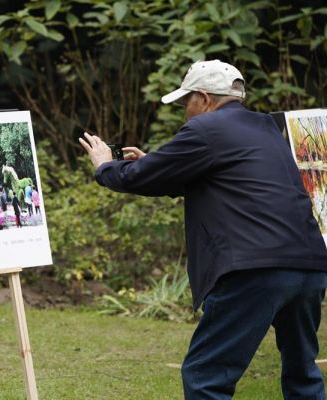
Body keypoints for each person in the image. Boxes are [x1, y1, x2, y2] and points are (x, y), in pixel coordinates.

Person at [80, 59, 327, 399]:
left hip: (254, 268)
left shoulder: (205, 130)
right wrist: (154, 162)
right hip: (309, 265)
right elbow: (223, 181)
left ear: (204, 98)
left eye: (186, 102)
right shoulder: (267, 130)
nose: (185, 111)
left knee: (205, 377)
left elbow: (135, 177)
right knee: (303, 375)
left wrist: (105, 166)